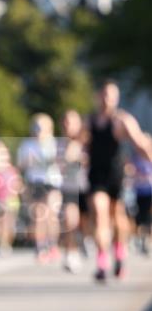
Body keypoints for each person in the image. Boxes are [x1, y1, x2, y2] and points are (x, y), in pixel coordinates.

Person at [85, 80, 152, 281]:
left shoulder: (122, 120)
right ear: (99, 96)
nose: (107, 99)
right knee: (99, 212)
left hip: (117, 175)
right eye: (104, 94)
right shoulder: (89, 121)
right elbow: (77, 141)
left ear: (116, 98)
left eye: (111, 95)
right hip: (96, 174)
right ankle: (102, 261)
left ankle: (120, 252)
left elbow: (139, 143)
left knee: (118, 218)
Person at [17, 113, 62, 263]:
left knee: (51, 213)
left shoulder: (55, 144)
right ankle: (40, 246)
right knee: (38, 215)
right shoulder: (26, 145)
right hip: (34, 182)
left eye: (41, 127)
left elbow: (63, 164)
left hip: (52, 182)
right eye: (35, 127)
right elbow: (21, 166)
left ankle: (53, 244)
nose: (38, 131)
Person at [56, 109, 89, 273]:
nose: (68, 125)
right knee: (70, 220)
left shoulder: (88, 142)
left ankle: (84, 242)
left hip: (88, 187)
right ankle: (71, 253)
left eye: (71, 122)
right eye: (65, 122)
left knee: (85, 224)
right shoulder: (58, 144)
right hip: (69, 188)